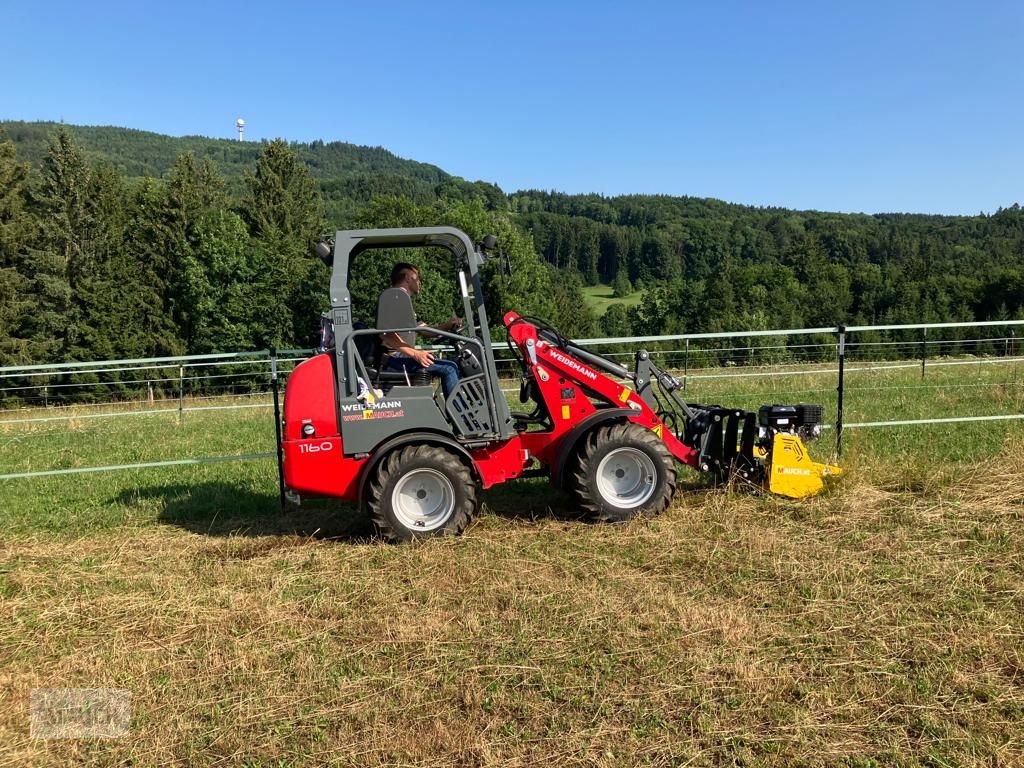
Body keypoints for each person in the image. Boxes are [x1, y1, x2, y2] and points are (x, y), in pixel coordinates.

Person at [378, 262, 463, 398]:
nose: (419, 282)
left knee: (449, 364)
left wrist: (448, 325)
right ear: (407, 277)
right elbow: (386, 335)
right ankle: (461, 415)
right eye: (417, 278)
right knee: (450, 368)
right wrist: (416, 354)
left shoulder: (402, 300)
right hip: (393, 358)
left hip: (401, 355)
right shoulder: (395, 298)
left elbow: (424, 330)